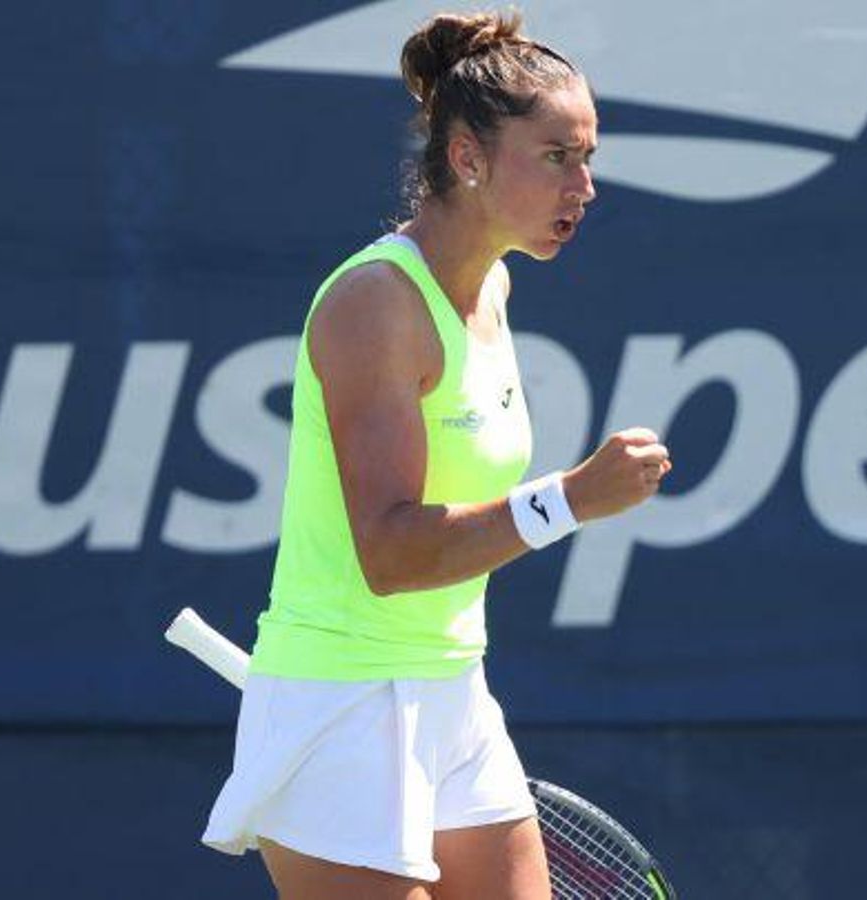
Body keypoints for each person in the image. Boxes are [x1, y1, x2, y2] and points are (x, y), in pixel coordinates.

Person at [199, 11, 671, 900]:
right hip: (338, 706)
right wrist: (567, 500)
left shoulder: (492, 284)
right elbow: (391, 552)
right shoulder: (373, 303)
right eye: (557, 157)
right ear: (468, 159)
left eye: (589, 156)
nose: (586, 186)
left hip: (454, 690)